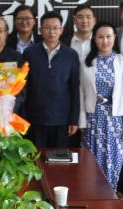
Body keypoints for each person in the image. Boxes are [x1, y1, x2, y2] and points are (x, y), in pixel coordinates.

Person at [78, 22, 123, 189]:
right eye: (101, 37)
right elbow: (80, 93)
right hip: (93, 118)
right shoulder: (85, 62)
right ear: (94, 39)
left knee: (113, 159)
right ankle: (90, 195)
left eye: (108, 37)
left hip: (115, 119)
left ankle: (110, 196)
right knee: (91, 159)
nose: (105, 41)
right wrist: (81, 120)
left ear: (114, 38)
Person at [21, 12, 80, 148]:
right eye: (47, 28)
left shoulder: (71, 55)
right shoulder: (30, 53)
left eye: (55, 28)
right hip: (35, 118)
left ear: (61, 30)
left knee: (58, 158)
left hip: (62, 119)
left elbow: (75, 88)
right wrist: (23, 116)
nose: (51, 31)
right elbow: (23, 86)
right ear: (40, 30)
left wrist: (74, 119)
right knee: (35, 156)